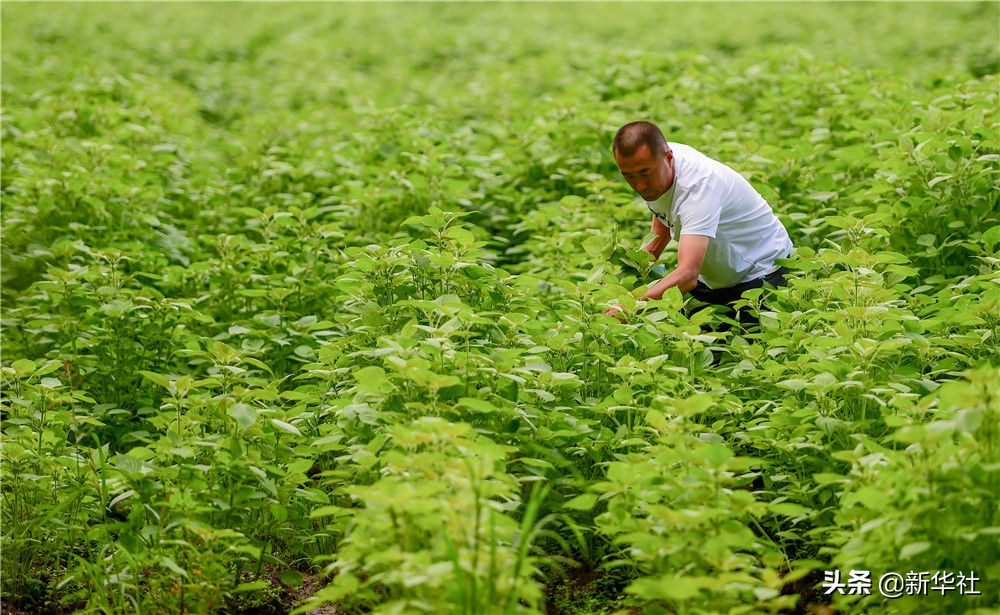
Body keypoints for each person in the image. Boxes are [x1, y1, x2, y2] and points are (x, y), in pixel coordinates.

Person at [605, 121, 792, 323]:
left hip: (760, 269)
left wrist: (632, 306)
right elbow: (664, 215)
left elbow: (687, 275)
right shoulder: (655, 163)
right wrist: (626, 273)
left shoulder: (699, 190)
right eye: (628, 176)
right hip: (714, 277)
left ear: (668, 158)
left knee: (745, 348)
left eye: (644, 173)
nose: (639, 185)